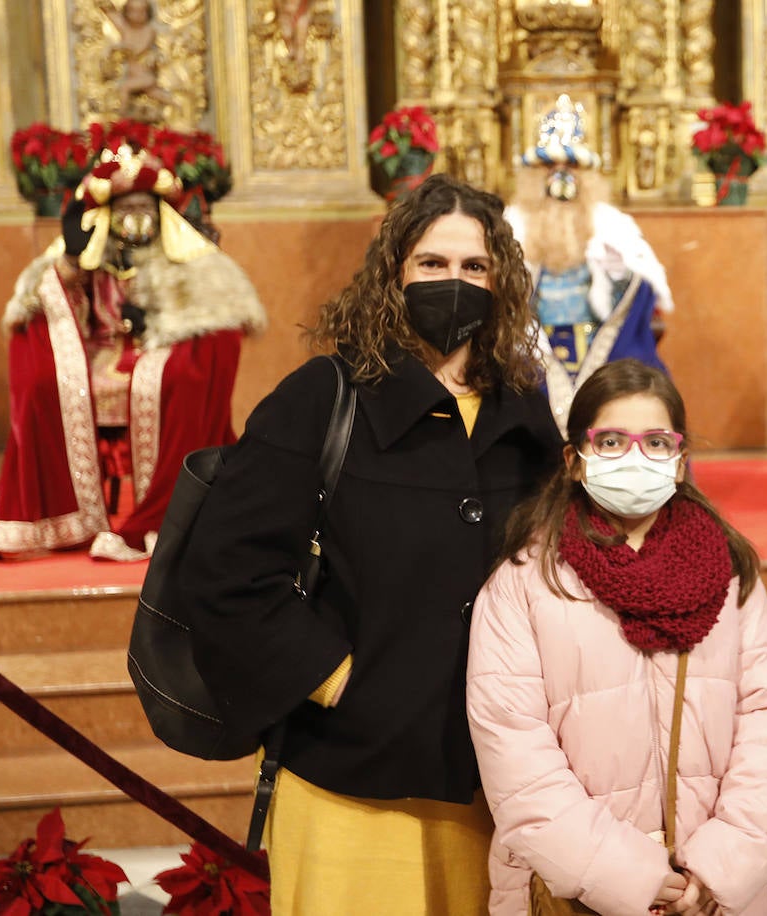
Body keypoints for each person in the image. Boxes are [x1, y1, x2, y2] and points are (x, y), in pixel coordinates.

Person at [178, 174, 563, 915]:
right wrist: (341, 681)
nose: (455, 282)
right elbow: (226, 572)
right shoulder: (323, 397)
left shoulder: (524, 412)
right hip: (347, 776)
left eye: (474, 268)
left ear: (501, 280)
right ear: (393, 273)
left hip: (492, 779)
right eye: (432, 264)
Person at [466, 358, 767, 915]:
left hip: (712, 895)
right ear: (575, 461)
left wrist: (719, 867)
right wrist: (622, 875)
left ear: (679, 461)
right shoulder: (525, 583)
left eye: (656, 443)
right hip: (576, 890)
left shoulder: (730, 572)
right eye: (613, 441)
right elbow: (514, 753)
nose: (635, 458)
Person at [0, 144, 266, 561]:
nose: (136, 215)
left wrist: (155, 326)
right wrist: (69, 266)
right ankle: (70, 514)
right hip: (99, 354)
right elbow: (45, 307)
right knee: (47, 384)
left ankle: (160, 508)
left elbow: (213, 315)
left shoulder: (188, 262)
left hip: (162, 352)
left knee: (176, 380)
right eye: (126, 206)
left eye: (144, 206)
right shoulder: (90, 256)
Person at [505, 94, 674, 430]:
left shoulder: (611, 226)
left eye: (571, 169)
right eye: (551, 169)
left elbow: (639, 293)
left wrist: (617, 274)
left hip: (602, 349)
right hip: (532, 353)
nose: (561, 179)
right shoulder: (513, 225)